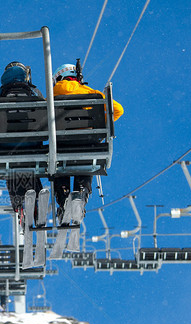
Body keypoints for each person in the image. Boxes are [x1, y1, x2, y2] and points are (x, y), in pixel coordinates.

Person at [51, 63, 124, 223]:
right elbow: (118, 109)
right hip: (88, 143)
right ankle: (80, 195)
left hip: (62, 144)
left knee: (57, 166)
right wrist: (99, 126)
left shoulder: (52, 95)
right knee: (87, 162)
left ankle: (63, 198)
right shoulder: (91, 93)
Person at [0, 62, 44, 224]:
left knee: (12, 171)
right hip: (32, 144)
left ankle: (19, 204)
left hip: (7, 146)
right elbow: (44, 114)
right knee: (31, 171)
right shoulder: (34, 91)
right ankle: (33, 200)